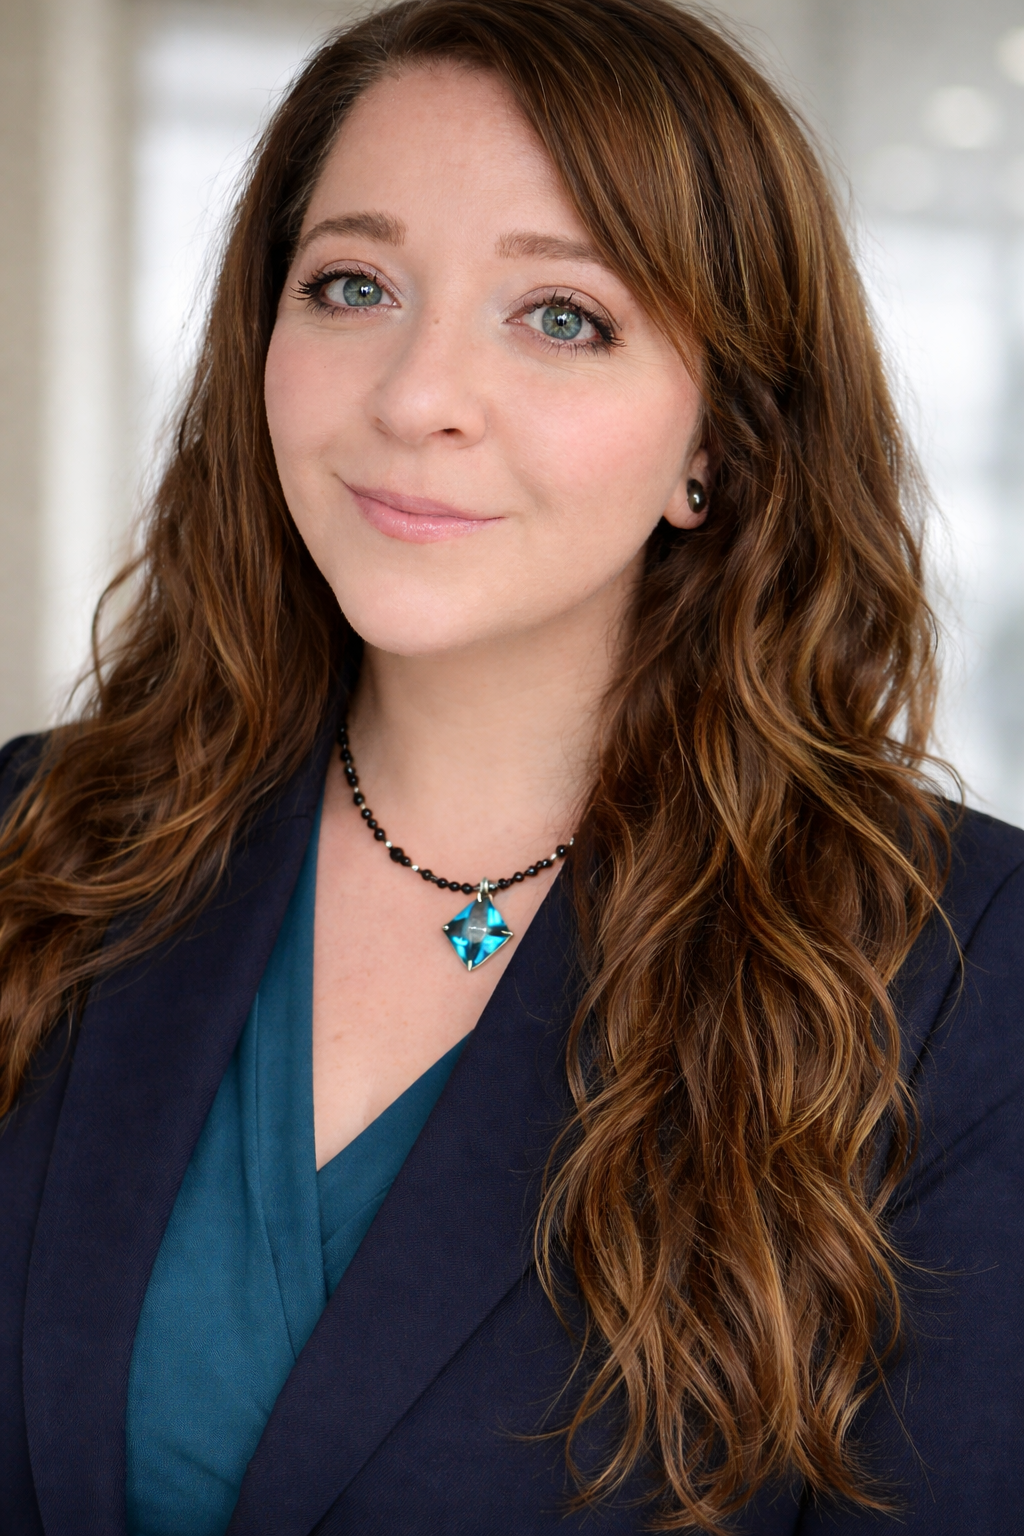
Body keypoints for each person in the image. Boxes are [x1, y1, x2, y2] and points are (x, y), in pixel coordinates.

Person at [1, 1, 1020, 1531]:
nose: (414, 398)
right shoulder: (40, 835)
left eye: (562, 317)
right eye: (353, 284)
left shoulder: (966, 969)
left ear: (721, 443)